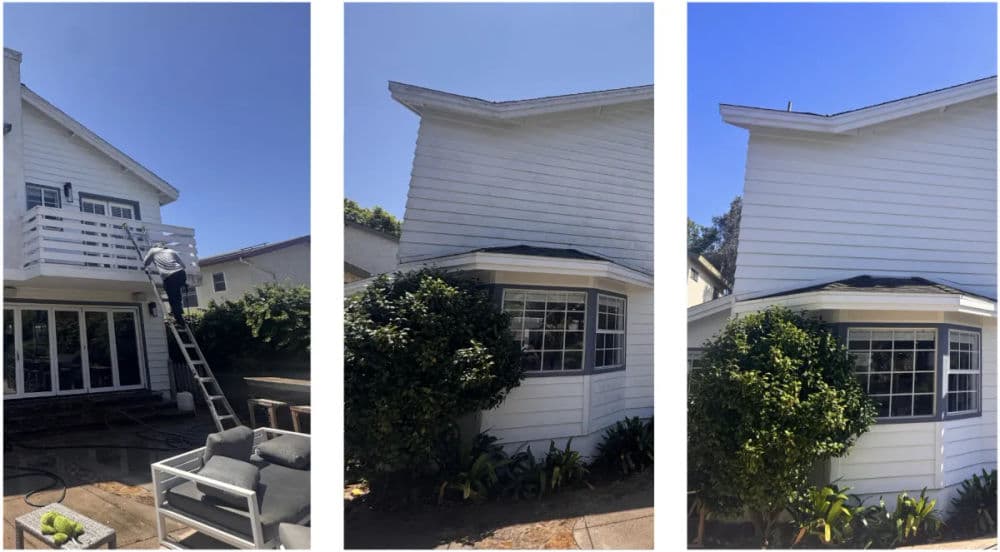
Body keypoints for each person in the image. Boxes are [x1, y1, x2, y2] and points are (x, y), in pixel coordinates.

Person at [143, 242, 188, 326]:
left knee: (172, 298)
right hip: (181, 274)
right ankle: (178, 313)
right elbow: (183, 266)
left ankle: (179, 319)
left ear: (156, 247)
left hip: (170, 276)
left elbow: (145, 263)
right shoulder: (171, 251)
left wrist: (148, 268)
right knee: (177, 296)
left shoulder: (153, 250)